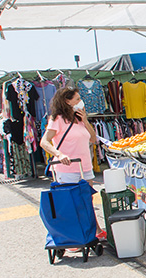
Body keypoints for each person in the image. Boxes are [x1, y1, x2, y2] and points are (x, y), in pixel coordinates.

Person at [39, 87, 105, 239]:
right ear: (67, 101)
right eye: (77, 99)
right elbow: (44, 141)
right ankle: (74, 235)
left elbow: (93, 139)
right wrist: (59, 154)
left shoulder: (79, 119)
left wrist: (86, 120)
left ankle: (95, 230)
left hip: (85, 167)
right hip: (67, 167)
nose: (80, 102)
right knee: (72, 202)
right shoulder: (57, 119)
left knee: (87, 199)